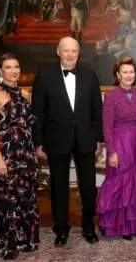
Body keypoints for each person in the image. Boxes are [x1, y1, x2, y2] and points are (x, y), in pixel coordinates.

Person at [31, 37, 103, 247]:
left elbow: (97, 110)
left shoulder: (90, 76)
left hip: (86, 139)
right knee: (59, 187)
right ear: (58, 52)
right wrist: (38, 142)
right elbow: (38, 112)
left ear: (78, 53)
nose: (70, 54)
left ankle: (89, 227)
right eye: (66, 50)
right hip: (56, 139)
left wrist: (99, 139)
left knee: (89, 187)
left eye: (74, 51)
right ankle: (61, 229)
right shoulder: (45, 75)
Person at [96, 56, 136, 240]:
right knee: (122, 184)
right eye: (125, 72)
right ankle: (120, 227)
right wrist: (112, 151)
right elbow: (107, 127)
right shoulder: (110, 96)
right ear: (117, 75)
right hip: (120, 144)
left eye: (131, 72)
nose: (128, 75)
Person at [0, 53, 39, 259]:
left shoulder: (25, 94)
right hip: (6, 155)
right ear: (0, 70)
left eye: (16, 66)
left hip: (26, 154)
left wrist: (34, 152)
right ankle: (7, 246)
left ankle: (25, 241)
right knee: (7, 202)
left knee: (26, 199)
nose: (13, 71)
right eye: (8, 67)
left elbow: (30, 128)